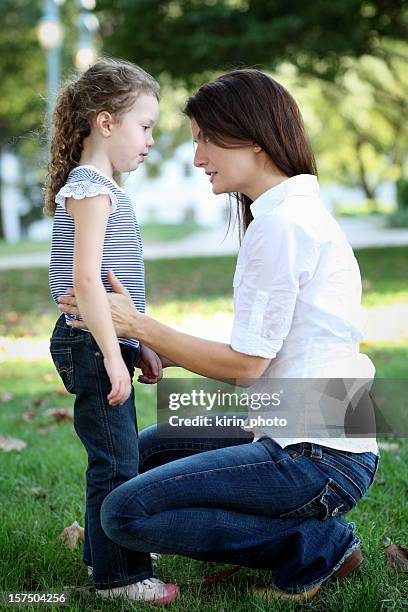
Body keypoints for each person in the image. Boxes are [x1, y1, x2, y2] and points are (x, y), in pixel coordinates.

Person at [58, 68, 380, 602]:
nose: (197, 157)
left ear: (251, 139)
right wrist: (163, 348)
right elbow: (266, 350)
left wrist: (136, 324)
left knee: (126, 511)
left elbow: (247, 366)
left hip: (319, 452)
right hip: (294, 417)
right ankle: (119, 559)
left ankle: (315, 545)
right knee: (146, 454)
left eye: (205, 140)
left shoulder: (284, 226)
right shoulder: (283, 213)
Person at [46, 58, 179, 605]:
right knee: (117, 461)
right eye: (144, 126)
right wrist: (110, 353)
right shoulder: (91, 188)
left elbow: (111, 282)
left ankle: (100, 552)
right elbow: (82, 277)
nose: (150, 139)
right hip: (89, 340)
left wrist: (139, 341)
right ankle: (120, 576)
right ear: (106, 122)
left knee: (113, 452)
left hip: (104, 336)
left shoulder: (101, 186)